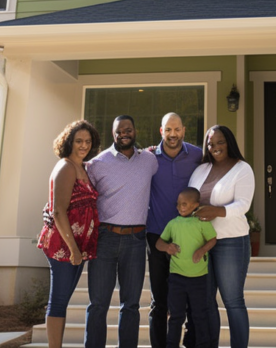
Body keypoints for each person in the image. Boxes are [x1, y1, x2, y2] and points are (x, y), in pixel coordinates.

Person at [85, 115, 158, 348]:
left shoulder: (149, 160)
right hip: (104, 238)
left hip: (136, 240)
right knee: (98, 304)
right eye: (119, 130)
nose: (124, 133)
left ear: (135, 131)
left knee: (131, 304)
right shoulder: (96, 163)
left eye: (128, 129)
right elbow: (81, 197)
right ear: (112, 133)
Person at [189, 125, 255, 348]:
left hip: (231, 242)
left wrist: (216, 211)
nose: (215, 147)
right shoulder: (201, 169)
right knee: (206, 302)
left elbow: (243, 205)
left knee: (233, 301)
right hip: (203, 244)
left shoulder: (242, 169)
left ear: (229, 143)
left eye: (220, 142)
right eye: (210, 143)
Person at [37, 120, 101, 348]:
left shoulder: (82, 167)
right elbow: (57, 211)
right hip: (63, 245)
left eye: (87, 141)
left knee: (63, 301)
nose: (83, 145)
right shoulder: (65, 167)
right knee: (58, 301)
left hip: (78, 245)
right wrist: (74, 249)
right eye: (78, 141)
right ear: (69, 142)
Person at [146, 112, 205, 348]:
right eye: (168, 130)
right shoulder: (148, 158)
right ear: (161, 131)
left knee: (191, 300)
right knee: (159, 301)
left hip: (190, 236)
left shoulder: (198, 155)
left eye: (177, 129)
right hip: (158, 234)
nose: (173, 134)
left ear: (184, 130)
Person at [156, 187, 217, 348]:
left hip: (199, 279)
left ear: (195, 205)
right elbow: (159, 243)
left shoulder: (202, 222)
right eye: (178, 204)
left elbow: (212, 239)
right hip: (177, 278)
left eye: (184, 204)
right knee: (176, 316)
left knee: (199, 315)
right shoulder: (173, 224)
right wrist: (167, 247)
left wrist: (202, 250)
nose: (180, 207)